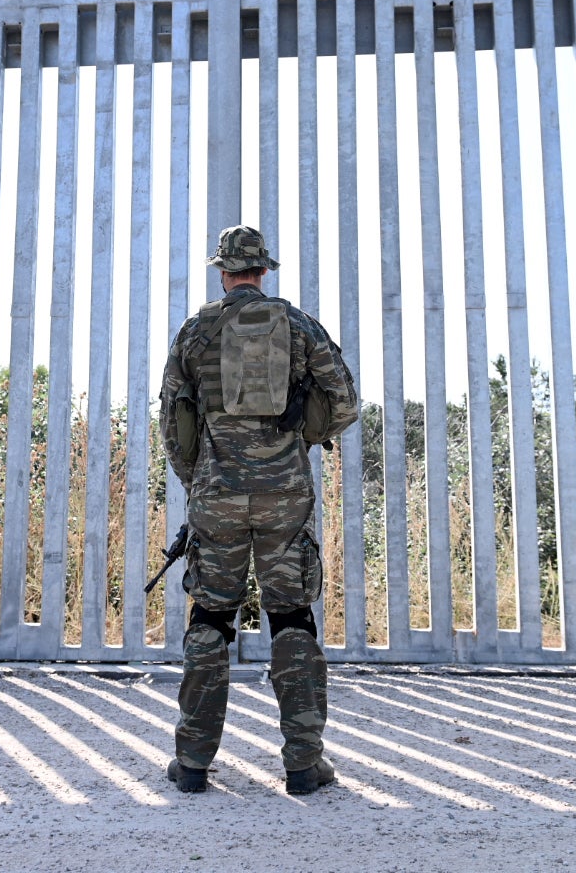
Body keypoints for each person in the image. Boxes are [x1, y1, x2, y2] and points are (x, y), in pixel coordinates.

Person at [158, 225, 358, 796]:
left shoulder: (196, 331)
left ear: (223, 273)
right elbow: (343, 400)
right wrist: (299, 437)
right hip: (284, 494)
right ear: (263, 272)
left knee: (211, 620)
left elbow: (173, 418)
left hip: (216, 496)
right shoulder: (296, 326)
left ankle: (193, 762)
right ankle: (303, 764)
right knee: (292, 618)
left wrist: (199, 481)